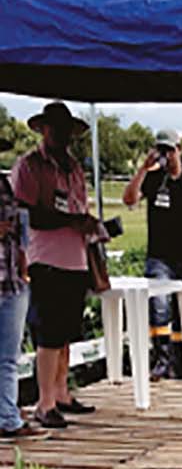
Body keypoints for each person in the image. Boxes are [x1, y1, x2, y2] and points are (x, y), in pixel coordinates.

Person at [13, 102, 98, 429]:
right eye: (55, 128)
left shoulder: (74, 167)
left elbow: (79, 206)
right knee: (48, 334)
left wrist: (87, 225)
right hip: (46, 258)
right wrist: (72, 221)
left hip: (75, 258)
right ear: (44, 129)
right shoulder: (31, 166)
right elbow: (28, 213)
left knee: (66, 333)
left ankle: (62, 392)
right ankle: (44, 402)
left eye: (65, 129)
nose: (60, 134)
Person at [121, 129, 182, 381]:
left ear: (179, 150)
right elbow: (129, 200)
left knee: (181, 311)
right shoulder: (153, 181)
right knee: (159, 308)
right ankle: (161, 361)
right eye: (162, 150)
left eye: (170, 150)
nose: (167, 155)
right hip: (158, 257)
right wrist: (143, 169)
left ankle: (180, 359)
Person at [0, 137, 41, 441]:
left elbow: (18, 229)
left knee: (9, 355)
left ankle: (8, 416)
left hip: (12, 278)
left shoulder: (4, 185)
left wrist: (25, 269)